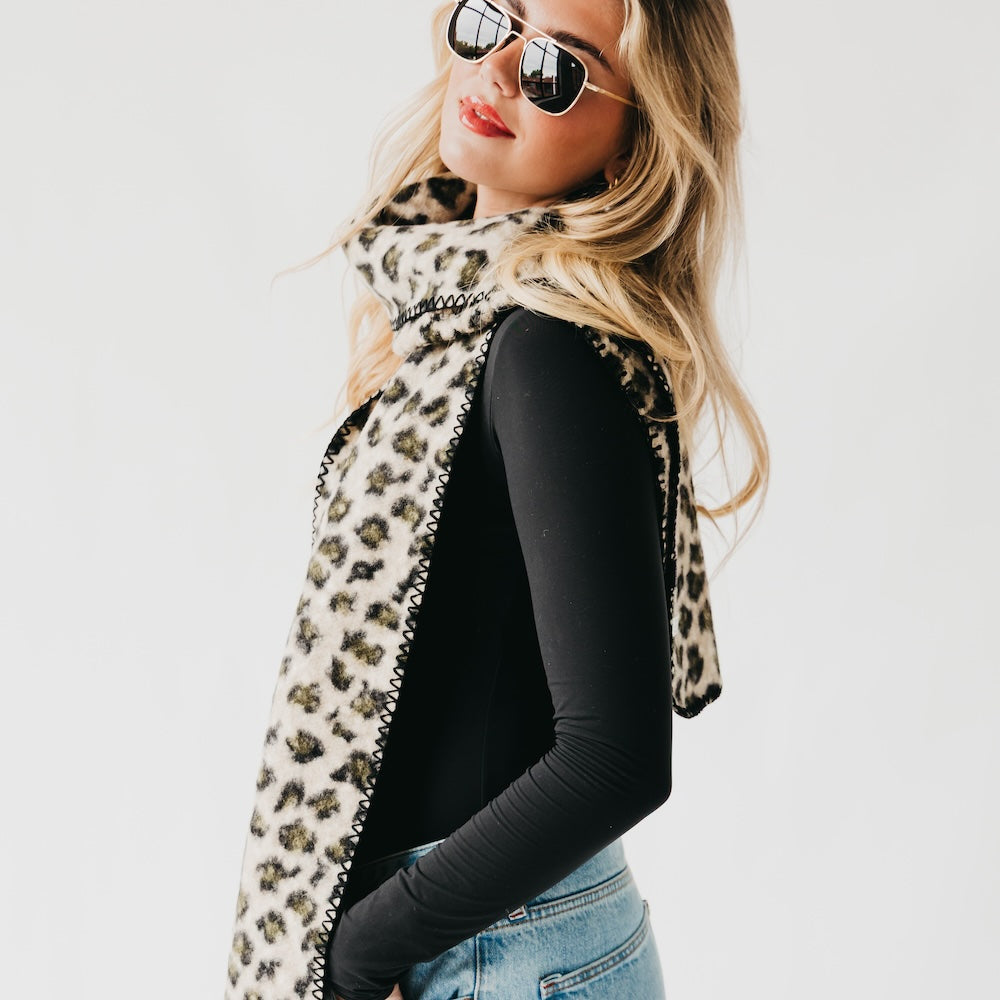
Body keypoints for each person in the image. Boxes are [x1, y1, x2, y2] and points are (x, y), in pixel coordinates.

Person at [223, 3, 769, 1000]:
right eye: (494, 19)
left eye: (560, 67)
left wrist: (358, 953)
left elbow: (615, 758)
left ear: (635, 144)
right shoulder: (460, 323)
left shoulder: (546, 347)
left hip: (491, 953)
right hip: (481, 938)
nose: (503, 68)